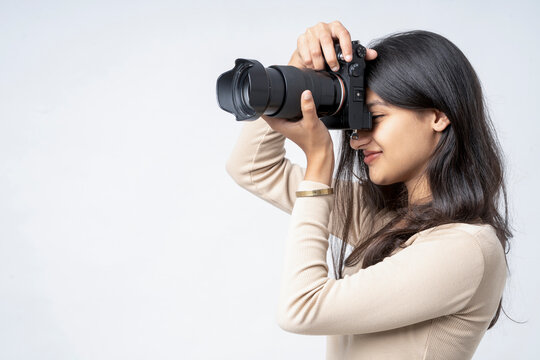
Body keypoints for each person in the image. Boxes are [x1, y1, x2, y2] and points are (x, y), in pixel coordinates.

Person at [226, 20, 512, 360]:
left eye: (375, 116)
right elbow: (252, 167)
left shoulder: (467, 247)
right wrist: (297, 68)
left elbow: (300, 308)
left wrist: (319, 163)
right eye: (357, 120)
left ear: (438, 116)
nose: (358, 138)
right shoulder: (385, 221)